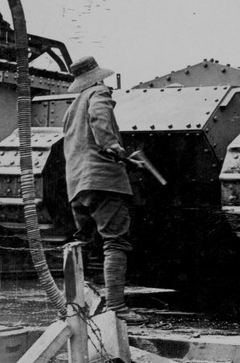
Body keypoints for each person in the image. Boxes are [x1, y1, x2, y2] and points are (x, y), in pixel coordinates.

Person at [63, 56, 147, 324]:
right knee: (116, 241)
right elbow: (100, 119)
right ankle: (117, 308)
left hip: (78, 184)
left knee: (83, 243)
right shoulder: (99, 92)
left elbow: (82, 145)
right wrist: (112, 145)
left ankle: (75, 307)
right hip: (104, 181)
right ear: (98, 78)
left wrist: (125, 160)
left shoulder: (71, 107)